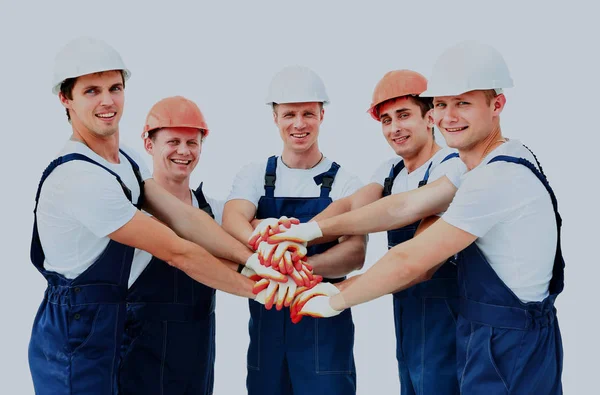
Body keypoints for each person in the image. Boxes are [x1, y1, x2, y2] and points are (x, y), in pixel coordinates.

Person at [275, 41, 565, 394]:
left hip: (507, 342)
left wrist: (334, 298)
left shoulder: (494, 179)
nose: (448, 116)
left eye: (463, 103)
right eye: (442, 104)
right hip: (487, 333)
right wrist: (310, 230)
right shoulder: (474, 164)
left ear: (497, 104)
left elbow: (412, 260)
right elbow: (403, 207)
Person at [28, 37, 285, 395]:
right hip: (72, 336)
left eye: (115, 88)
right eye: (91, 91)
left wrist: (253, 259)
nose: (107, 100)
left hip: (107, 325)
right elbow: (178, 251)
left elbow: (183, 217)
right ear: (65, 99)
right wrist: (260, 290)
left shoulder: (127, 159)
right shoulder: (80, 178)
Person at [310, 69, 465, 394]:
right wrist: (296, 235)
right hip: (406, 311)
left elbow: (419, 264)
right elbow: (352, 208)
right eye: (386, 119)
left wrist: (342, 293)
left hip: (448, 314)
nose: (394, 128)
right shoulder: (390, 173)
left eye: (404, 115)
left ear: (430, 117)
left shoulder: (451, 167)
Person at [222, 65, 366, 395]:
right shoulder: (255, 174)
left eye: (308, 114)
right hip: (267, 328)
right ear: (275, 117)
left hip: (323, 326)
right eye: (289, 114)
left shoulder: (346, 182)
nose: (299, 124)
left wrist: (295, 271)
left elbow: (355, 253)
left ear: (322, 115)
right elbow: (232, 221)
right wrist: (261, 237)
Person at [118, 96, 225, 394]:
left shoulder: (214, 212)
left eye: (192, 142)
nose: (183, 151)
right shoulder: (129, 212)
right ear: (149, 144)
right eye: (173, 141)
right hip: (140, 354)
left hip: (197, 355)